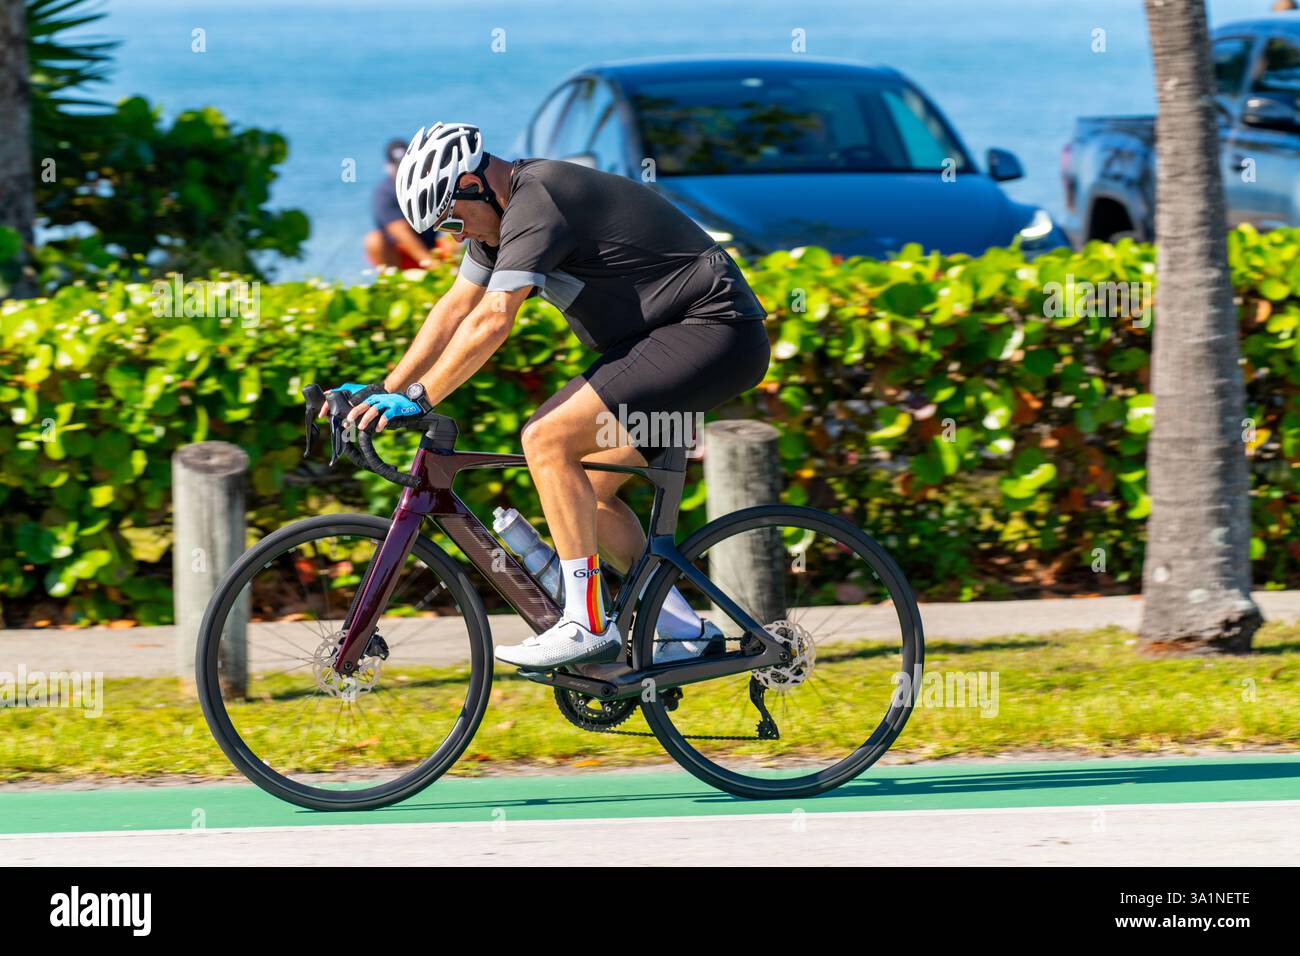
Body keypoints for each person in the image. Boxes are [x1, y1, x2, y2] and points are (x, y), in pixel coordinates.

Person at [335, 122, 770, 668]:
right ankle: (682, 629)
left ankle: (586, 623)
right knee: (591, 486)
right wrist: (384, 390)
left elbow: (494, 320)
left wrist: (421, 399)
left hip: (712, 332)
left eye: (450, 219)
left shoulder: (538, 202)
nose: (454, 235)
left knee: (546, 438)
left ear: (472, 184)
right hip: (675, 341)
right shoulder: (498, 218)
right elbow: (456, 307)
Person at [363, 138, 443, 270]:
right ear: (388, 166)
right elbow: (399, 230)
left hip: (433, 245)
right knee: (373, 240)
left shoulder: (427, 184)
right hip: (403, 254)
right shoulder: (384, 192)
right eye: (398, 166)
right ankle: (394, 279)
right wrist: (431, 263)